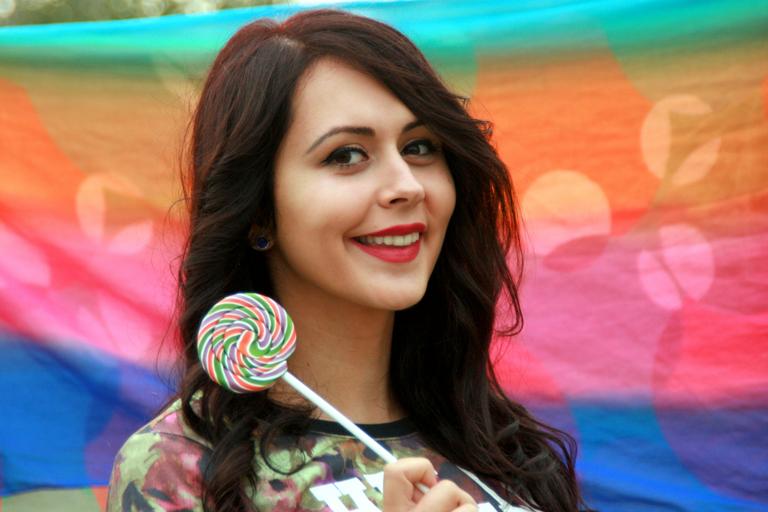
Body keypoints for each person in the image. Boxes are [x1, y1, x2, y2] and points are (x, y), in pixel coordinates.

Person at [107, 8, 589, 512]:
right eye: (346, 155)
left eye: (419, 146)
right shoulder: (177, 467)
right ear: (259, 210)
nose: (406, 185)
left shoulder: (508, 451)